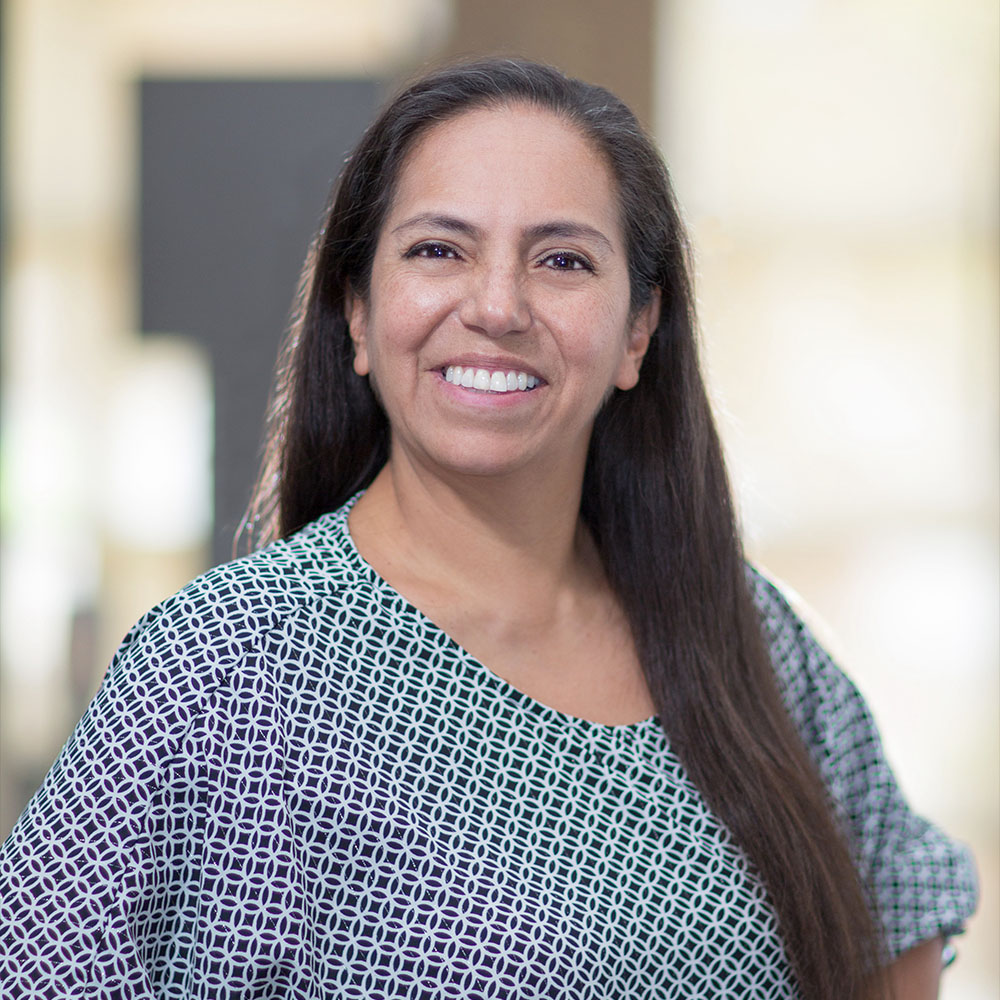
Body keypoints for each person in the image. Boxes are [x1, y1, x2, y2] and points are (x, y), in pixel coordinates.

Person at [0, 58, 977, 1000]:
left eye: (562, 260)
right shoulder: (226, 668)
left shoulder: (746, 638)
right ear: (356, 310)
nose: (498, 306)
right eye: (439, 249)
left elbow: (895, 918)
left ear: (637, 332)